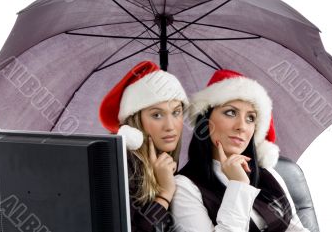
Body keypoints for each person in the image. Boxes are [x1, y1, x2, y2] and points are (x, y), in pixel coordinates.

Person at [171, 69, 310, 231]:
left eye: (250, 118)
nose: (242, 127)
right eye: (230, 112)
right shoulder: (184, 186)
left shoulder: (268, 174)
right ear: (205, 119)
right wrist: (238, 185)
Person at [99, 61, 189, 231]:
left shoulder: (163, 164)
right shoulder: (122, 166)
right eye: (157, 115)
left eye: (176, 112)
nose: (170, 125)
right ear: (135, 123)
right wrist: (164, 194)